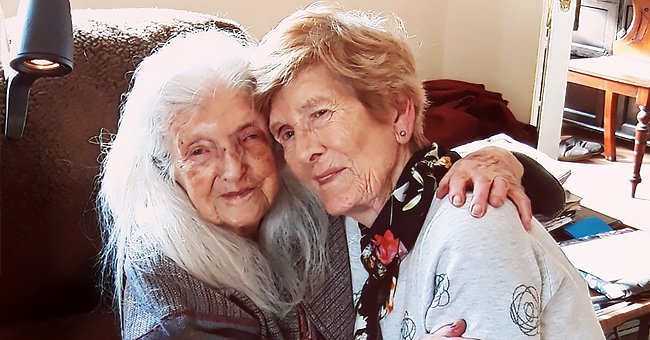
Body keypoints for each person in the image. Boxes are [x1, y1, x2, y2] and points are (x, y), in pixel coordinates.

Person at [253, 3, 605, 339]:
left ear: (398, 113)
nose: (304, 150)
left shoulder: (473, 228)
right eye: (286, 133)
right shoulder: (359, 226)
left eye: (320, 114)